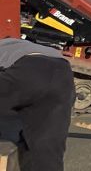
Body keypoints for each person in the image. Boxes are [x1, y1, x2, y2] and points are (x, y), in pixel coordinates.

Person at [0, 38, 73, 171]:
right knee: (47, 145)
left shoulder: (4, 48)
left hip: (28, 69)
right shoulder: (18, 44)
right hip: (63, 74)